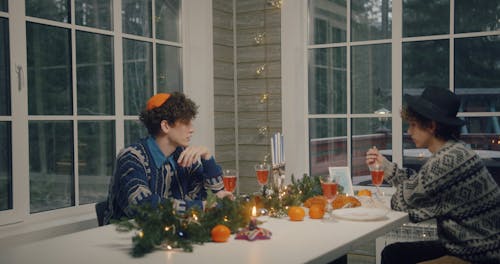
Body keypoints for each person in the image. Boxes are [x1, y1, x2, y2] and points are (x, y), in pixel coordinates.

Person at [366, 87, 500, 263]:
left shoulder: (446, 162)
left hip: (479, 253)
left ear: (431, 126)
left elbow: (400, 201)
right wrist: (385, 166)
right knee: (393, 253)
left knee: (394, 257)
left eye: (413, 125)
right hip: (474, 244)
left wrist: (391, 183)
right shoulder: (456, 151)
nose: (409, 132)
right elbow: (419, 185)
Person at [103, 92, 232, 225]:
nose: (192, 129)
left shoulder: (181, 154)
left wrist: (207, 157)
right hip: (123, 238)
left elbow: (213, 197)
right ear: (165, 126)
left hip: (170, 236)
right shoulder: (131, 157)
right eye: (186, 122)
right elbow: (143, 206)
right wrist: (201, 207)